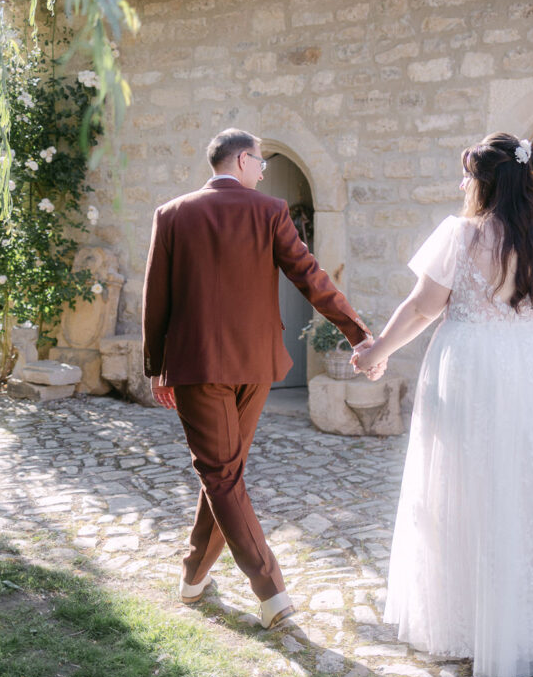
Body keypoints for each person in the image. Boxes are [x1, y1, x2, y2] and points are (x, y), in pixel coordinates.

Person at [352, 132, 533, 677]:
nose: (463, 186)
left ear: (482, 183)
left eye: (468, 177)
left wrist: (378, 349)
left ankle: (471, 621)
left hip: (470, 369)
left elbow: (422, 308)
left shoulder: (460, 235)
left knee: (468, 484)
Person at [142, 128, 374, 629]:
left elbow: (155, 297)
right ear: (242, 160)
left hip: (197, 365)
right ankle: (199, 578)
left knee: (221, 475)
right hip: (256, 364)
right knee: (224, 474)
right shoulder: (269, 211)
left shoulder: (172, 214)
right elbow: (311, 277)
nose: (264, 172)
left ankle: (270, 594)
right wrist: (356, 333)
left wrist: (157, 366)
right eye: (262, 162)